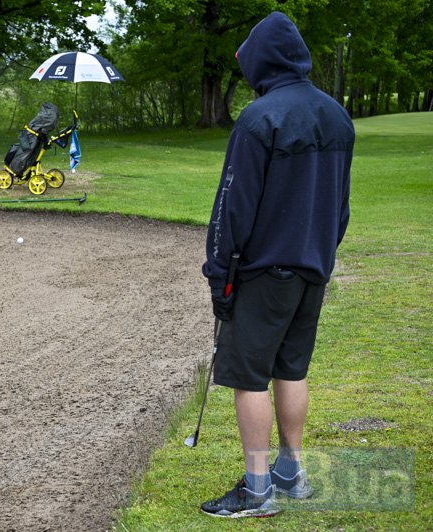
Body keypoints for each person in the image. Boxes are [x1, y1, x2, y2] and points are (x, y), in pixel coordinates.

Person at [199, 12, 354, 518]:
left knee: (250, 378)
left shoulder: (259, 118)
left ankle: (259, 487)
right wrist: (324, 255)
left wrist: (219, 272)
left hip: (263, 272)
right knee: (292, 368)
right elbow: (341, 206)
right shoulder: (337, 115)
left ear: (262, 61)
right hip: (313, 267)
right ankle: (292, 473)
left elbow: (232, 206)